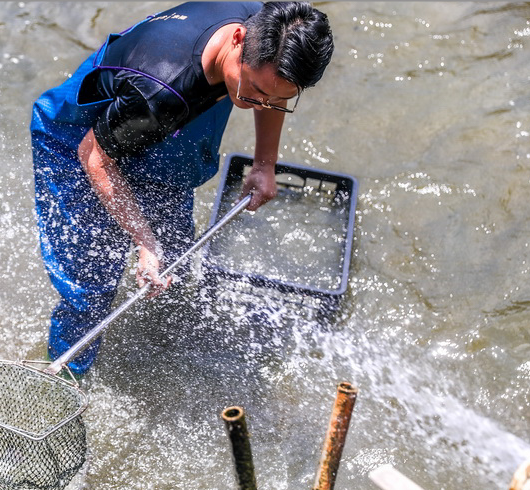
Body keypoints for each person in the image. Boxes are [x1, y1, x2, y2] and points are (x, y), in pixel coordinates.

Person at [30, 2, 334, 377]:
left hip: (161, 124)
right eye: (254, 92)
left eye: (278, 99)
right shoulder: (159, 91)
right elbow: (94, 156)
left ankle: (156, 348)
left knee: (172, 257)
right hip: (79, 138)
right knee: (92, 282)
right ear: (238, 40)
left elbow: (271, 88)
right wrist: (143, 241)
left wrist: (264, 163)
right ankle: (65, 375)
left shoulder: (266, 26)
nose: (263, 104)